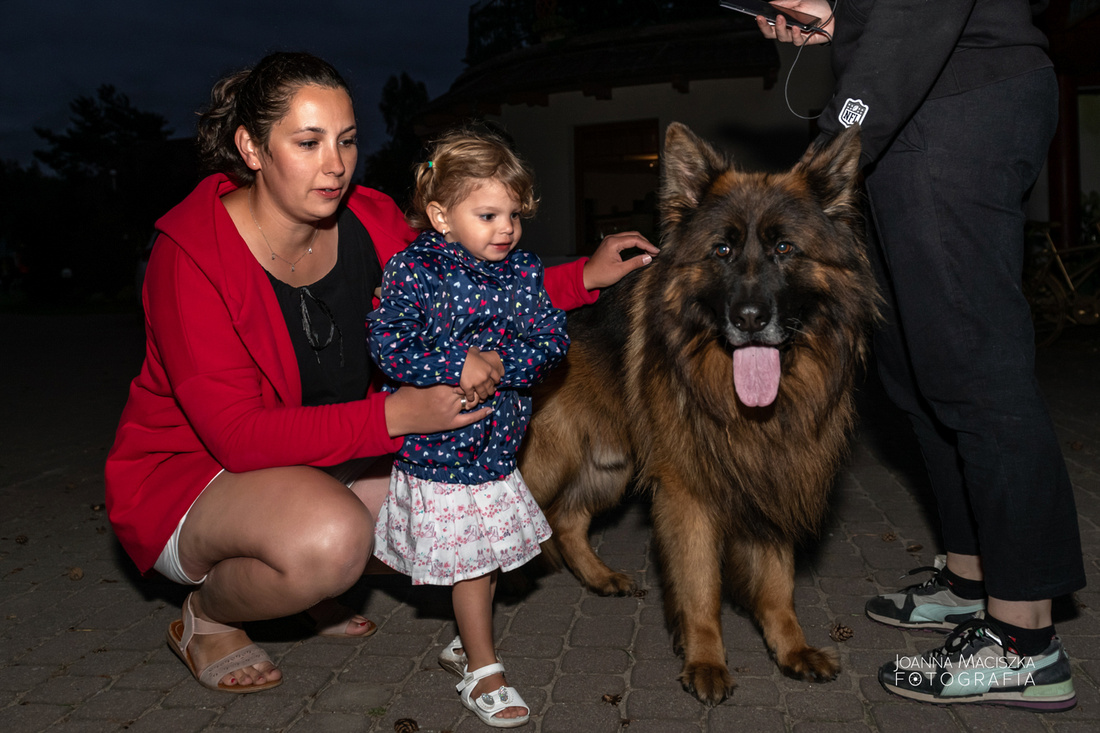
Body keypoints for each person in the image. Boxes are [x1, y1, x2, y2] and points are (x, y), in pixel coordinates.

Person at [104, 51, 657, 694]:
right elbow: (237, 436)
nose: (335, 164)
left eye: (346, 140)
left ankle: (307, 590)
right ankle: (211, 616)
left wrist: (583, 277)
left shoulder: (367, 217)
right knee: (332, 542)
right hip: (196, 478)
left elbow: (465, 291)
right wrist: (399, 415)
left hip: (328, 455)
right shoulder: (190, 257)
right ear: (252, 148)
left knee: (467, 516)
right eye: (307, 143)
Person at [759, 0, 1084, 710]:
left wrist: (828, 146)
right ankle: (971, 580)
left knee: (976, 369)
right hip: (919, 107)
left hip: (953, 102)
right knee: (917, 369)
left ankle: (1025, 640)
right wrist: (835, 15)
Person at [366, 127, 564, 727]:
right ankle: (483, 668)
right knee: (475, 563)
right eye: (488, 214)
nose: (506, 228)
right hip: (439, 453)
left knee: (488, 557)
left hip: (497, 445)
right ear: (441, 215)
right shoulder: (414, 268)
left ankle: (466, 638)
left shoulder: (524, 270)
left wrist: (502, 363)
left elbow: (554, 343)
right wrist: (456, 361)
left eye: (514, 215)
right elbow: (388, 343)